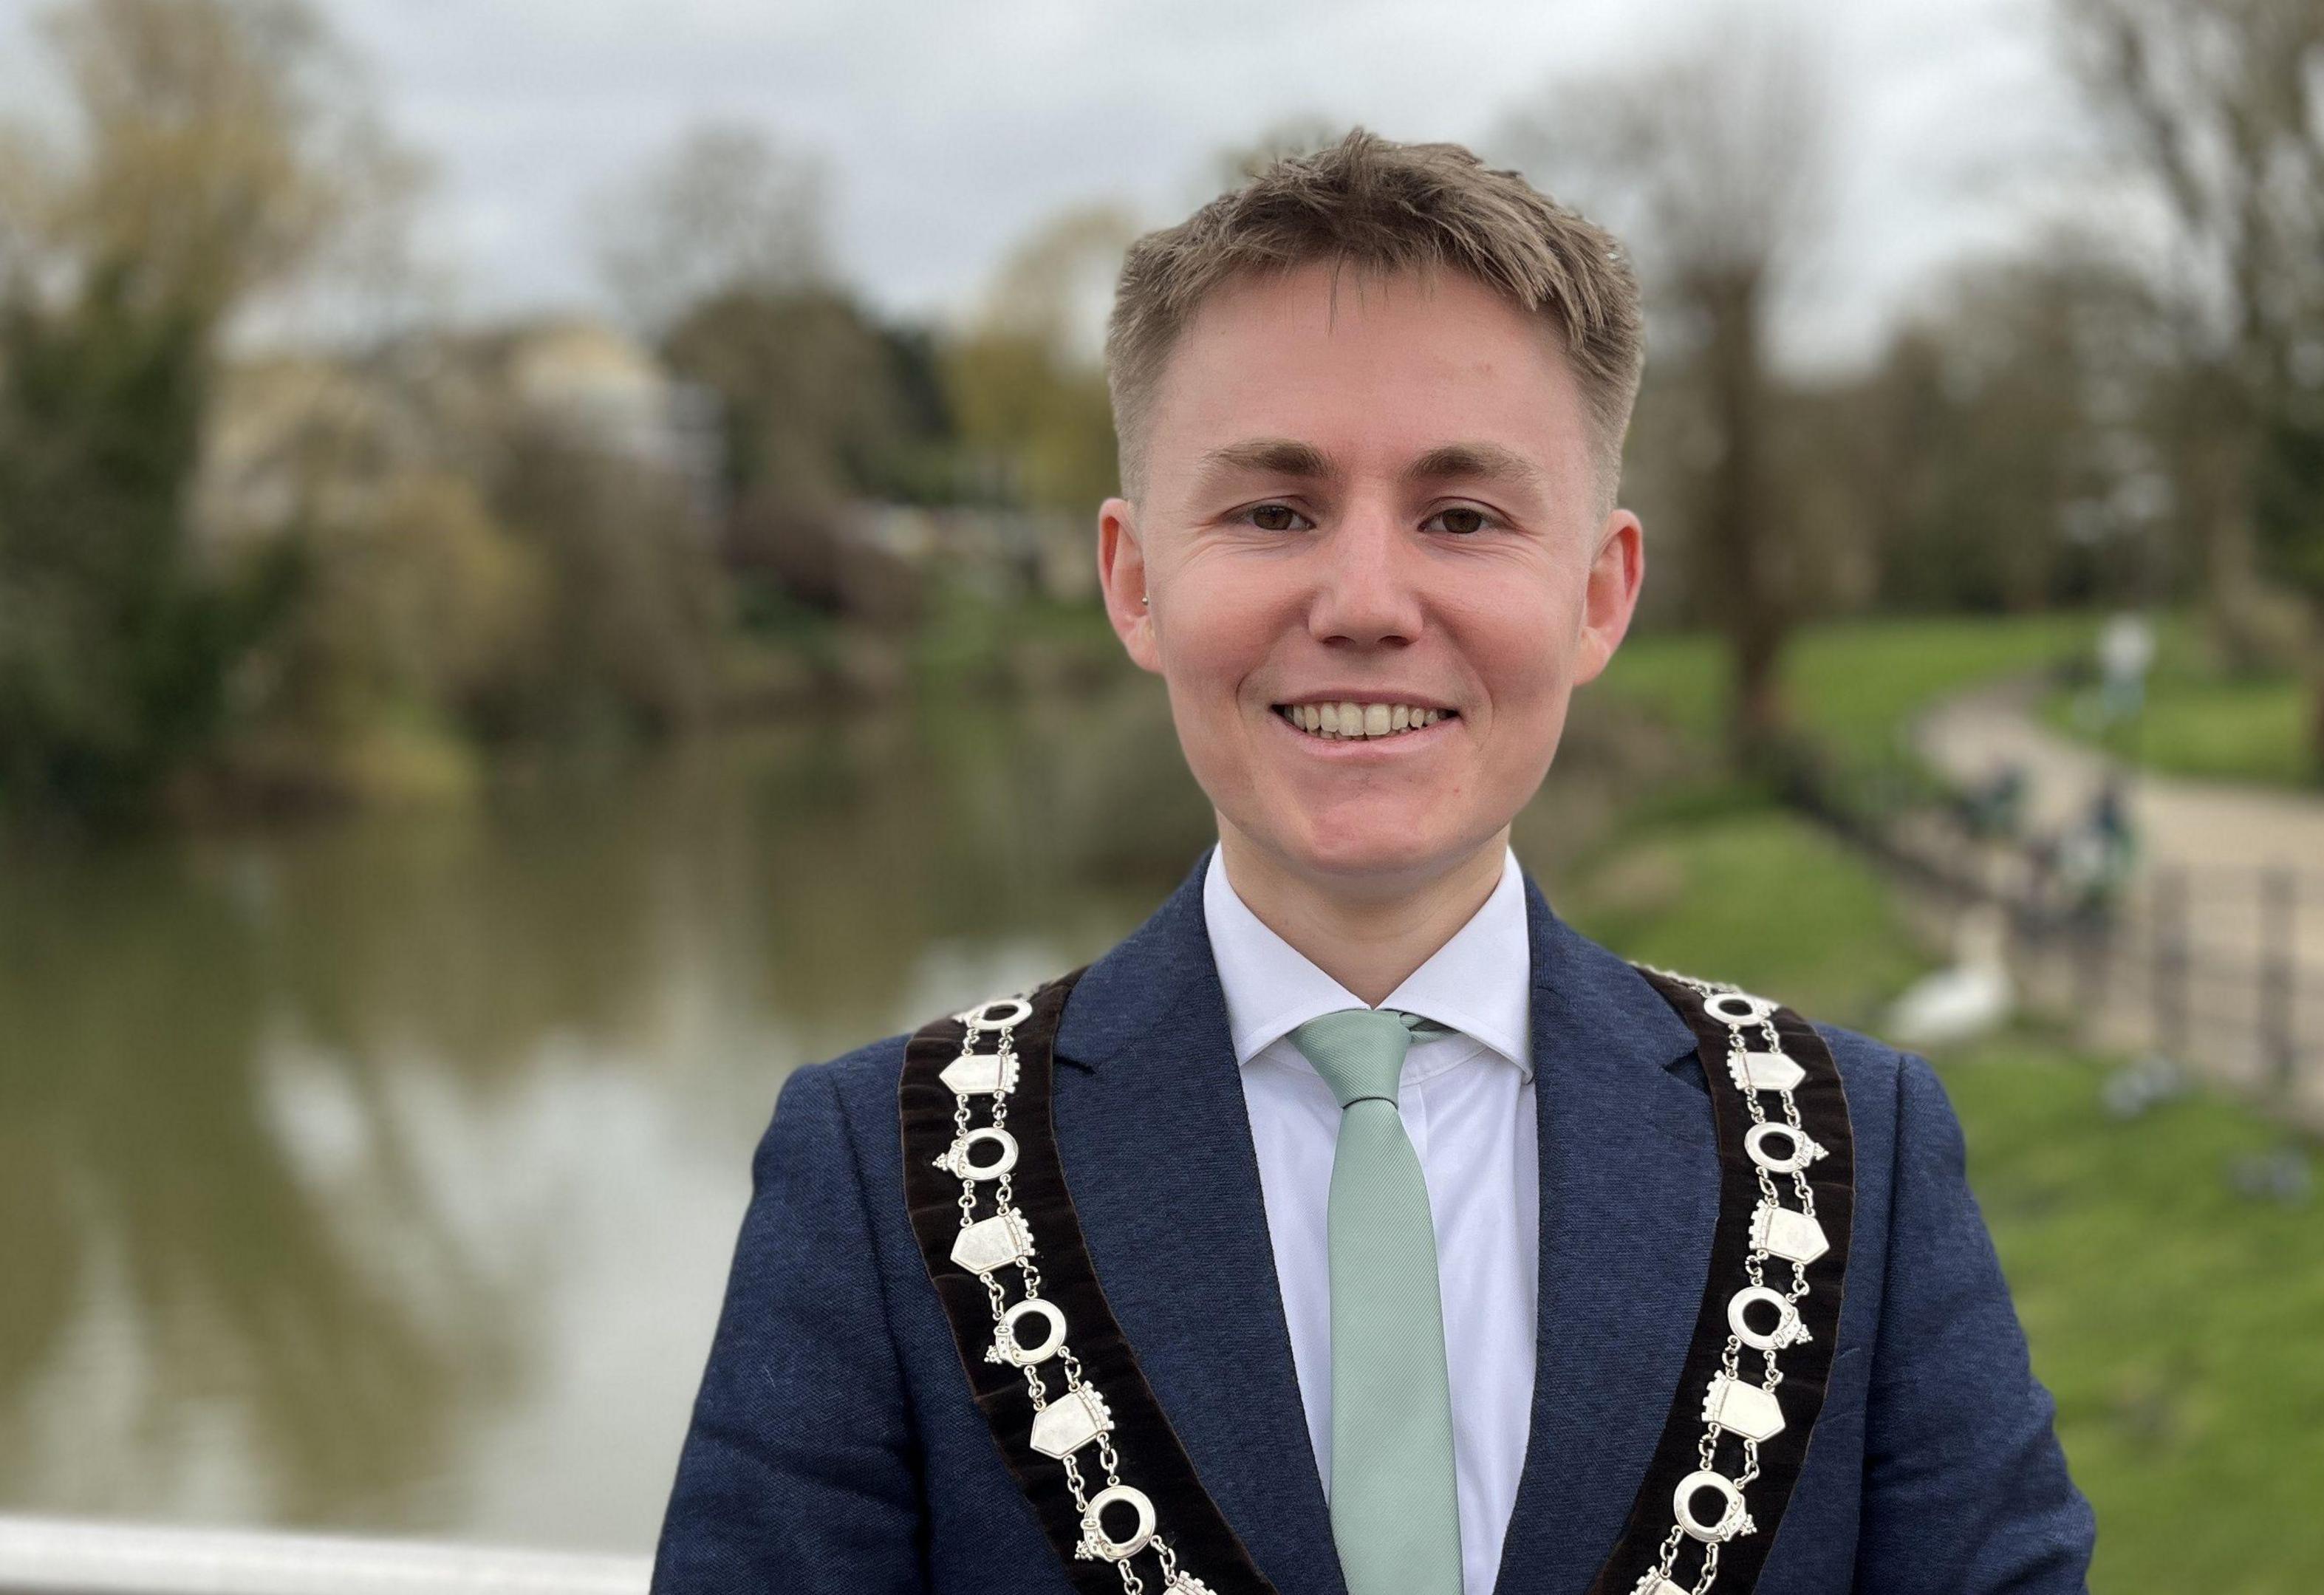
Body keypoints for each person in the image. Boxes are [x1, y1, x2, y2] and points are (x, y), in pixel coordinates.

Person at [653, 130, 2094, 1595]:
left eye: (1461, 517)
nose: (1364, 602)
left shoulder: (1860, 1157)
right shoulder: (881, 1179)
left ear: (1598, 597)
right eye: (1274, 511)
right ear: (1135, 581)